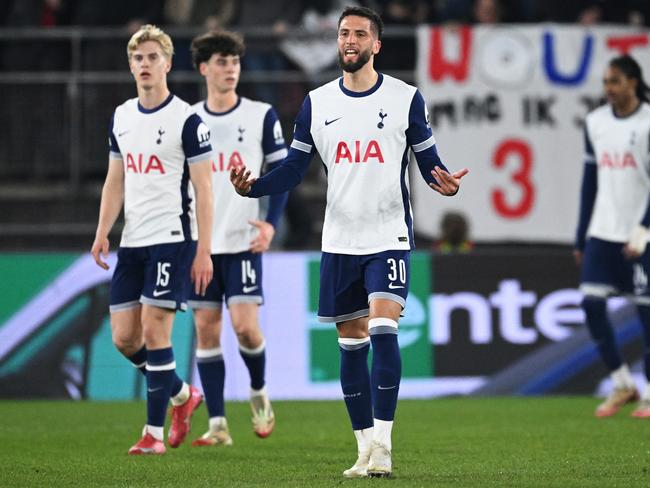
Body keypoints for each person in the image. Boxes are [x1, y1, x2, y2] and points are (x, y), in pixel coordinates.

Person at [231, 6, 467, 477]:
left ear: (376, 44)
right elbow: (296, 170)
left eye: (360, 33)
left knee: (383, 330)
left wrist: (445, 182)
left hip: (387, 235)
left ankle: (384, 442)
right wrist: (253, 187)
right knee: (351, 343)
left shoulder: (405, 98)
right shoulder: (317, 104)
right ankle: (363, 449)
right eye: (344, 33)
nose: (350, 40)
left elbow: (428, 160)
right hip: (339, 239)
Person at [90, 24, 214, 455]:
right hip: (134, 240)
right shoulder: (122, 116)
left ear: (168, 63)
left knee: (155, 331)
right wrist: (103, 231)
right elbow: (115, 179)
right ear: (131, 65)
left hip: (173, 238)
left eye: (152, 57)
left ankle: (153, 435)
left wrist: (203, 249)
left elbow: (204, 188)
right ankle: (183, 395)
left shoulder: (186, 119)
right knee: (124, 338)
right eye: (138, 58)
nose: (145, 64)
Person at [187, 30, 289, 446]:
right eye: (222, 62)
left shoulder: (261, 115)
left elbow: (282, 175)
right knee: (207, 330)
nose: (230, 69)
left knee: (246, 329)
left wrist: (271, 224)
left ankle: (259, 391)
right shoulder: (189, 119)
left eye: (235, 62)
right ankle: (217, 425)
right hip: (202, 244)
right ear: (204, 68)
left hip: (244, 238)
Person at [574, 54, 650, 418]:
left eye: (615, 81)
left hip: (641, 233)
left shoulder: (649, 120)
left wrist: (644, 228)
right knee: (591, 305)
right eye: (605, 82)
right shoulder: (596, 122)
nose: (609, 89)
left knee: (646, 314)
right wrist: (580, 236)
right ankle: (622, 382)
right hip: (603, 232)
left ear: (633, 82)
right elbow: (590, 182)